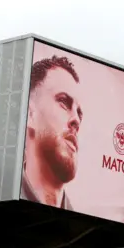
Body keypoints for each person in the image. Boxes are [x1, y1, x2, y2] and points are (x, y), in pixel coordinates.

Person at [21, 55, 84, 210]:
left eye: (79, 113)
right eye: (63, 102)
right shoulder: (0, 190)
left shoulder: (81, 227)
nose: (76, 120)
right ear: (29, 114)